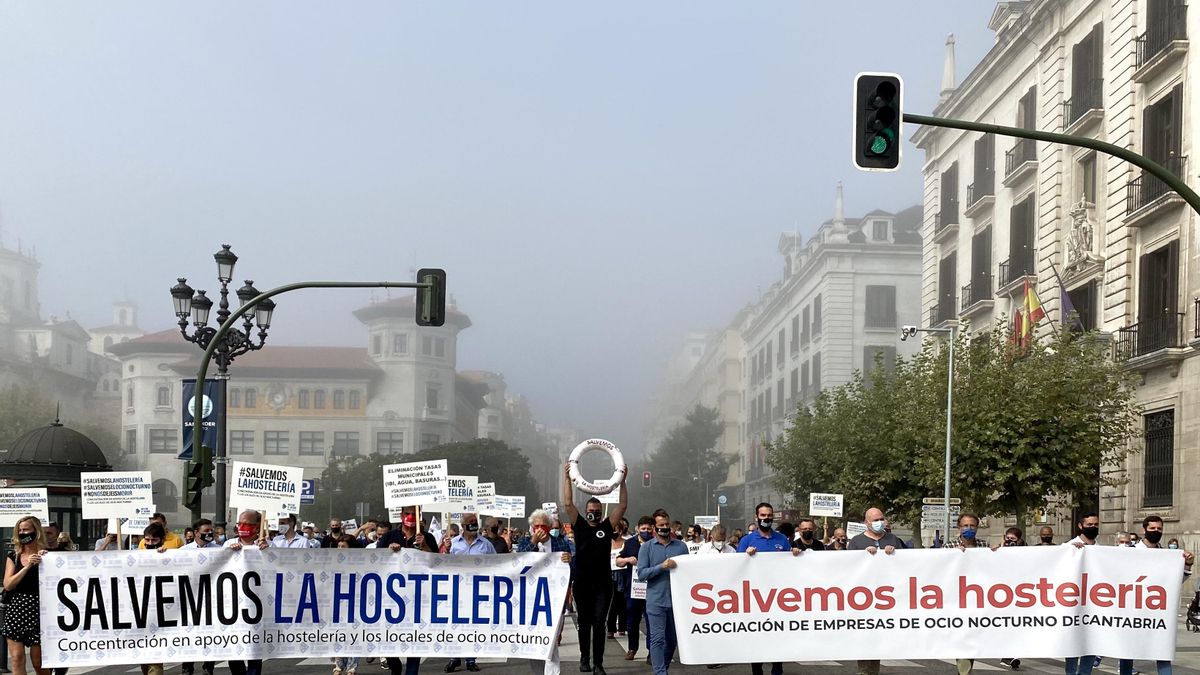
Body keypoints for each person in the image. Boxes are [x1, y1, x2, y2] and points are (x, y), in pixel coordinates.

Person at [561, 461, 628, 675]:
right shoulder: (579, 524)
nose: (594, 514)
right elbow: (568, 504)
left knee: (600, 623)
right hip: (581, 583)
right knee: (585, 622)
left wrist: (623, 481)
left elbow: (622, 506)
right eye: (591, 510)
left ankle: (598, 663)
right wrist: (567, 478)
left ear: (600, 512)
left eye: (597, 511)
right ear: (586, 510)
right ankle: (584, 658)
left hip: (603, 584)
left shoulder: (607, 526)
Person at [1115, 515, 1195, 675]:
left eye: (1159, 528)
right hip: (1133, 608)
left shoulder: (1167, 555)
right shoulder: (1130, 552)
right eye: (1152, 528)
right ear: (1144, 529)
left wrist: (1187, 564)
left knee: (1162, 651)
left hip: (1157, 610)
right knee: (1127, 651)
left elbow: (1175, 580)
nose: (1156, 531)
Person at [516, 509, 574, 675]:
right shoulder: (524, 541)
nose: (540, 528)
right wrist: (533, 542)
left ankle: (552, 673)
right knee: (534, 640)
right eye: (536, 526)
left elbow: (573, 570)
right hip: (531, 599)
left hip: (554, 598)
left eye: (544, 525)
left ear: (550, 526)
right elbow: (518, 562)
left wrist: (570, 561)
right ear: (532, 527)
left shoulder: (561, 543)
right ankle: (539, 671)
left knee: (552, 639)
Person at [848, 508, 902, 675]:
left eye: (882, 518)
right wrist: (863, 557)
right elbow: (849, 567)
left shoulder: (893, 539)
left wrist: (896, 554)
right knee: (866, 640)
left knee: (880, 641)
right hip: (865, 600)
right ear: (867, 522)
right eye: (875, 519)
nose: (880, 522)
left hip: (890, 598)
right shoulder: (856, 542)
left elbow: (908, 564)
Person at [737, 503, 790, 675]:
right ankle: (757, 670)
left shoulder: (782, 539)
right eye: (763, 515)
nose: (766, 518)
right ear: (756, 517)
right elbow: (735, 566)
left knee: (777, 633)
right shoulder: (746, 540)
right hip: (754, 597)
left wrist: (795, 555)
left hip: (778, 597)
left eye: (769, 515)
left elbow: (791, 566)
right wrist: (745, 556)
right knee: (757, 635)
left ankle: (777, 669)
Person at [636, 509, 688, 675]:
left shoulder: (681, 546)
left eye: (667, 524)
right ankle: (659, 672)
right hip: (656, 600)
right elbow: (642, 573)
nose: (665, 527)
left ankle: (662, 667)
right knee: (657, 639)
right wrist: (661, 567)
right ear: (654, 527)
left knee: (672, 640)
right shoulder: (647, 548)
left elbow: (689, 570)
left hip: (676, 601)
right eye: (661, 525)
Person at [444, 513, 496, 673]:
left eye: (475, 522)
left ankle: (471, 660)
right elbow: (441, 565)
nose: (474, 524)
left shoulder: (486, 545)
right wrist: (445, 551)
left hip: (477, 591)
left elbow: (497, 563)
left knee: (473, 625)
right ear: (463, 526)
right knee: (455, 625)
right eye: (470, 522)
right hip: (457, 590)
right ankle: (454, 659)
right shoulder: (452, 544)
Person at [225, 511, 269, 675]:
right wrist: (229, 552)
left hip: (257, 606)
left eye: (247, 524)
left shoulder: (265, 545)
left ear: (257, 527)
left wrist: (267, 552)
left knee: (254, 647)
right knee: (234, 647)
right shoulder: (228, 544)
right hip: (233, 606)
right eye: (239, 523)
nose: (242, 527)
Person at [4, 517, 48, 675]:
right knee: (16, 658)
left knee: (39, 663)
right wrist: (27, 566)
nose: (23, 533)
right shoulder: (13, 556)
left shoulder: (47, 556)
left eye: (26, 530)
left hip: (39, 611)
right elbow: (8, 584)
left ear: (36, 531)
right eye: (20, 530)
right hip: (17, 610)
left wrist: (47, 559)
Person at [1063, 514, 1101, 675]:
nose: (1093, 527)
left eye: (1096, 524)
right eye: (1089, 524)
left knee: (1091, 643)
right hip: (1073, 603)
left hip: (1094, 603)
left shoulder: (1102, 549)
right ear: (1080, 526)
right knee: (1072, 644)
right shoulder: (1068, 546)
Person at [181, 519, 219, 675]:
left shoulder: (219, 550)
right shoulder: (184, 550)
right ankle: (187, 666)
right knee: (188, 633)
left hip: (211, 598)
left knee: (210, 633)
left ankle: (208, 666)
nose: (209, 534)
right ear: (196, 532)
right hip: (190, 597)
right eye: (206, 531)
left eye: (211, 531)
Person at [615, 517, 653, 663]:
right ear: (637, 529)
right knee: (632, 620)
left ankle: (651, 651)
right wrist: (627, 559)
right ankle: (632, 648)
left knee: (651, 621)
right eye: (643, 529)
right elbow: (618, 561)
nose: (646, 531)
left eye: (649, 529)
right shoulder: (630, 543)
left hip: (650, 589)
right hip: (633, 589)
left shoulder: (655, 543)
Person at [606, 518, 628, 639]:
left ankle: (622, 626)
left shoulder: (626, 542)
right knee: (612, 601)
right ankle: (611, 628)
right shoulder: (606, 543)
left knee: (622, 600)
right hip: (610, 573)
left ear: (620, 530)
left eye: (616, 529)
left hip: (623, 573)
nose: (614, 531)